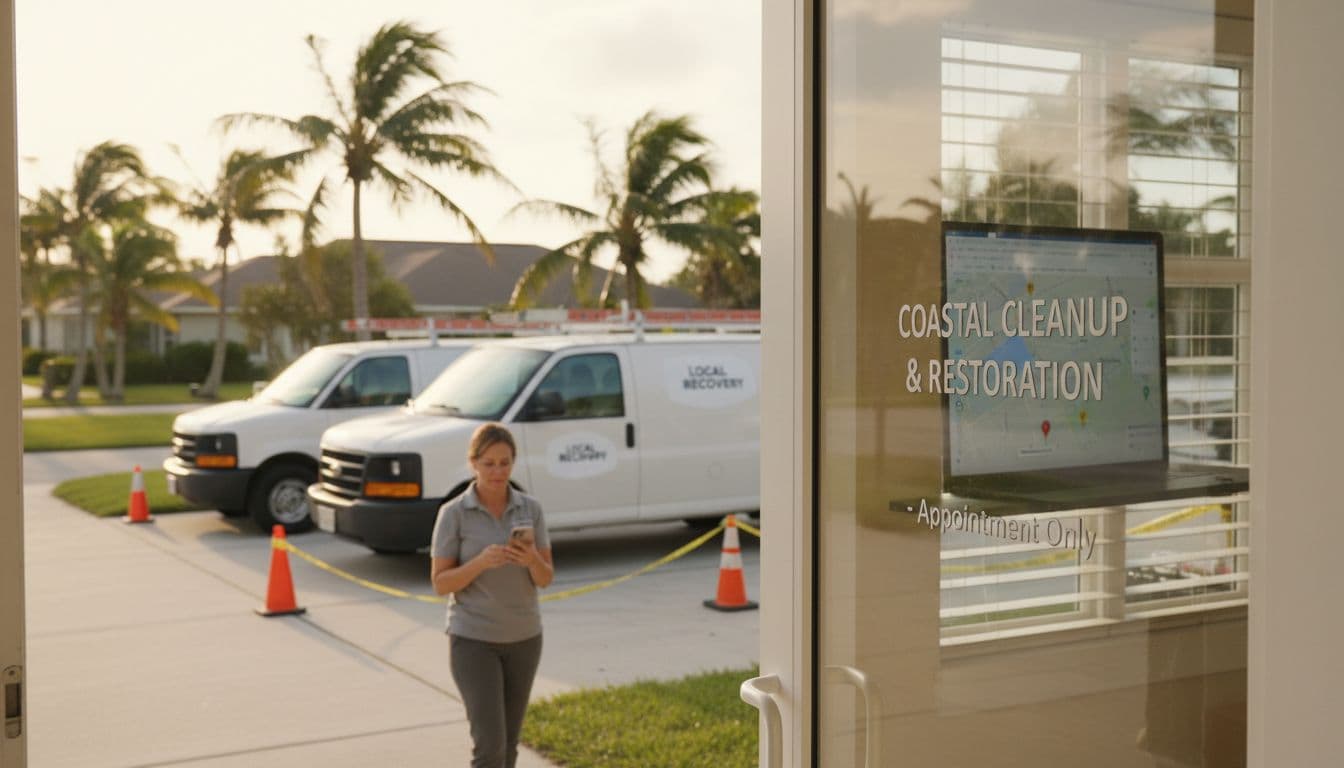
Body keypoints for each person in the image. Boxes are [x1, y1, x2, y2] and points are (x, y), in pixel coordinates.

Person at [431, 422, 554, 768]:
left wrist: (530, 558)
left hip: (525, 639)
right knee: (490, 749)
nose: (497, 472)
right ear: (473, 463)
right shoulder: (453, 514)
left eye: (504, 463)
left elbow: (545, 579)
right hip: (473, 641)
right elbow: (441, 583)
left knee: (509, 747)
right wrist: (480, 563)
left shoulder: (532, 510)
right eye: (489, 463)